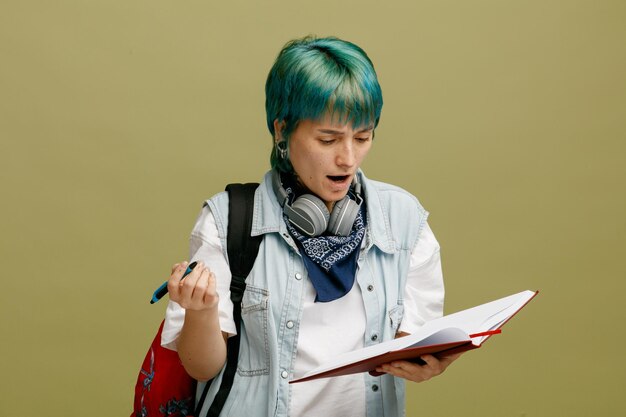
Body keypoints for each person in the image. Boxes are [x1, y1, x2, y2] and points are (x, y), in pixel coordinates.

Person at [161, 36, 460, 417]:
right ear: (282, 130)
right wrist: (199, 311)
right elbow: (201, 368)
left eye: (363, 137)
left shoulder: (405, 222)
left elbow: (411, 344)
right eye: (328, 138)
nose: (348, 157)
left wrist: (424, 361)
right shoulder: (228, 221)